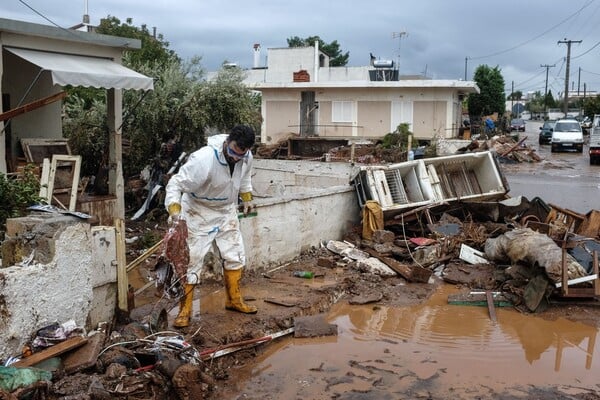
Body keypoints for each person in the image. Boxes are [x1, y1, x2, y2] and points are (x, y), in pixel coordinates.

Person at [165, 124, 258, 328]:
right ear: (227, 142)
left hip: (226, 210)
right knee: (192, 261)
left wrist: (247, 198)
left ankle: (233, 300)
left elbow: (244, 180)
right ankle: (185, 310)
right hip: (198, 210)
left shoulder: (246, 157)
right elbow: (175, 184)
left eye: (241, 154)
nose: (235, 157)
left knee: (235, 255)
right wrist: (175, 212)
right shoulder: (203, 159)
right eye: (233, 151)